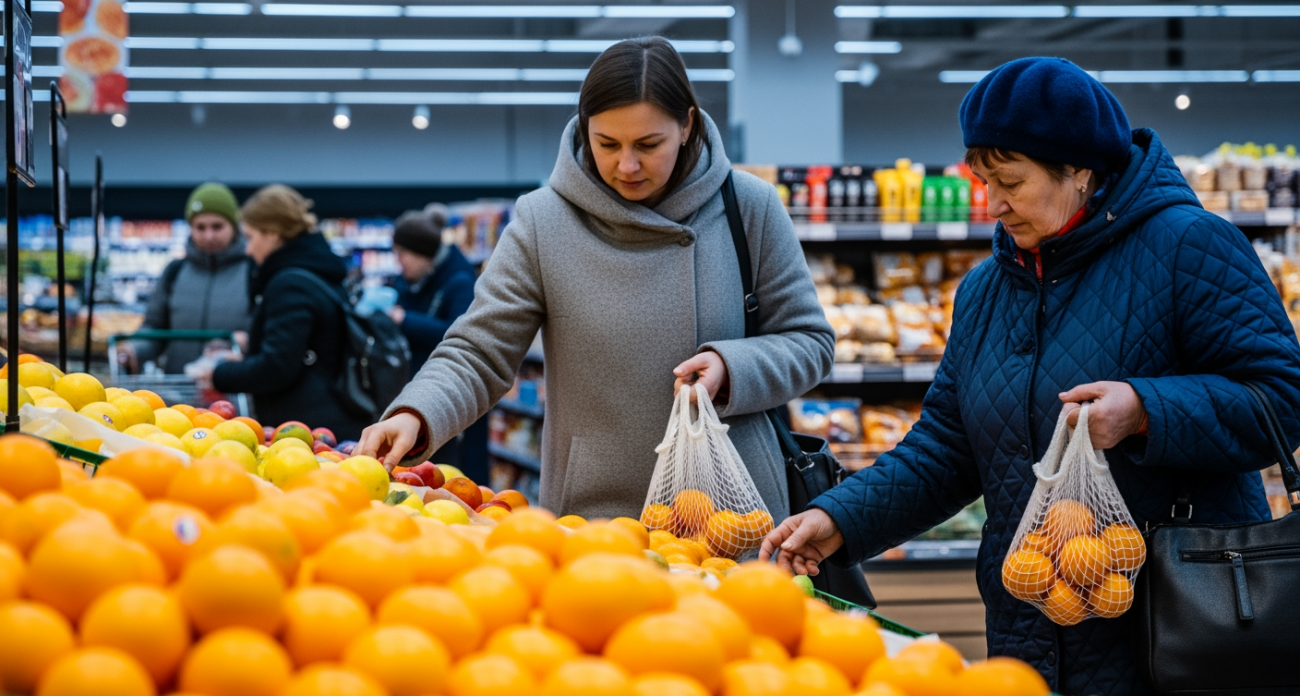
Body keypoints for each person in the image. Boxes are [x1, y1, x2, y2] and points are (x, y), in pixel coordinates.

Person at [763, 57, 1300, 696]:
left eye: (1010, 182)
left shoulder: (1190, 246)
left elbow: (1280, 399)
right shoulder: (988, 290)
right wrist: (840, 519)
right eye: (983, 181)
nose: (993, 205)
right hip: (1030, 626)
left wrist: (1144, 409)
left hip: (1179, 620)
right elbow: (946, 448)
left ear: (1079, 170)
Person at [357, 36, 834, 520]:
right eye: (607, 144)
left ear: (687, 124)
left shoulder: (749, 207)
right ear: (585, 130)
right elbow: (480, 349)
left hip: (732, 508)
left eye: (649, 145)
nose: (626, 165)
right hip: (597, 512)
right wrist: (415, 413)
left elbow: (810, 341)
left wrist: (733, 368)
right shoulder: (544, 221)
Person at [206, 184, 370, 441]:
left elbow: (278, 367)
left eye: (250, 237)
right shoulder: (317, 268)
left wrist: (218, 374)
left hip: (306, 430)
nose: (248, 250)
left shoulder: (289, 283)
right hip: (332, 417)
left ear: (272, 233)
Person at [387, 206, 488, 481]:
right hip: (422, 391)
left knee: (459, 481)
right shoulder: (413, 281)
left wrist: (404, 319)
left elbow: (461, 336)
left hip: (454, 398)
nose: (400, 263)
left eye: (403, 254)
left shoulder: (460, 281)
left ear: (422, 253)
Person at [126, 183, 252, 374]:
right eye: (200, 227)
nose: (209, 235)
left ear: (234, 226)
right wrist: (134, 349)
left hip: (235, 392)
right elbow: (154, 327)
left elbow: (270, 335)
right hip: (179, 392)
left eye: (217, 227)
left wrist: (248, 343)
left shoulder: (253, 271)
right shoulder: (174, 272)